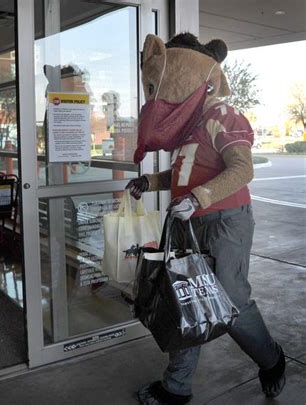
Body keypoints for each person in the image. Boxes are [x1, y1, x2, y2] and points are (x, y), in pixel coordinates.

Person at [127, 33, 285, 404]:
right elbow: (182, 176)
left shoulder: (224, 116)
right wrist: (150, 181)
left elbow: (243, 169)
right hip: (189, 222)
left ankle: (272, 360)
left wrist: (199, 198)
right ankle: (176, 386)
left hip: (224, 221)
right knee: (187, 298)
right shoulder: (187, 129)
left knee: (231, 301)